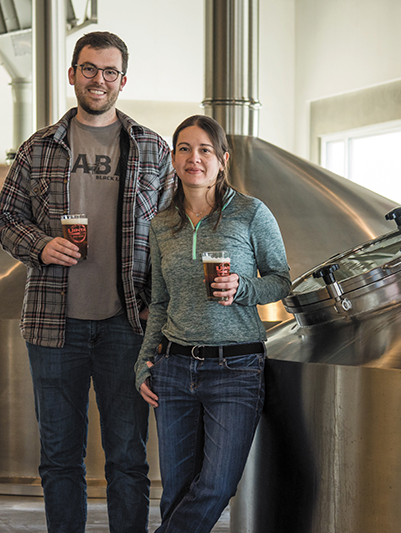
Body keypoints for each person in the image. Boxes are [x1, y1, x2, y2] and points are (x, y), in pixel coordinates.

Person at [0, 31, 175, 533]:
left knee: (127, 458)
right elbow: (6, 218)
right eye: (90, 69)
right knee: (59, 459)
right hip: (54, 327)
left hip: (126, 325)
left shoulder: (153, 150)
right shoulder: (38, 148)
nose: (100, 80)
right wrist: (41, 245)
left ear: (123, 80)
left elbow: (172, 237)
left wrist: (159, 313)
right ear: (73, 74)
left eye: (110, 71)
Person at [134, 115, 291, 533]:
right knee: (177, 490)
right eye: (184, 148)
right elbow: (161, 301)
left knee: (217, 485)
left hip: (236, 368)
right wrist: (145, 361)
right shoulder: (161, 225)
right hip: (174, 368)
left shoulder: (250, 213)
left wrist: (242, 288)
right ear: (173, 158)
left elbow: (281, 280)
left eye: (205, 150)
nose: (194, 158)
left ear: (222, 159)